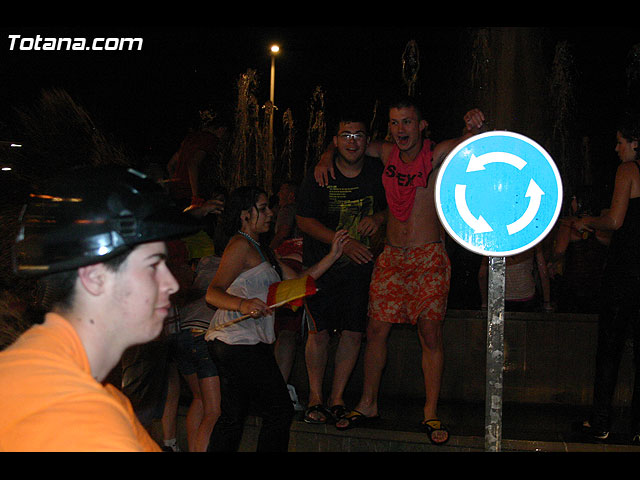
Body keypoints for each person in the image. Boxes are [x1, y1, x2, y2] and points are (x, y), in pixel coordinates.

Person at [316, 97, 486, 445]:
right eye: (394, 122)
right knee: (375, 330)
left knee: (430, 333)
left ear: (421, 126)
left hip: (428, 256)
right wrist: (325, 155)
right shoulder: (386, 152)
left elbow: (474, 143)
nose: (400, 129)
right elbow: (351, 143)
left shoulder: (435, 154)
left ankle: (430, 410)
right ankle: (368, 403)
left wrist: (474, 126)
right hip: (391, 257)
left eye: (407, 122)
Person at [0, 165, 201, 451]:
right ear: (95, 277)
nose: (171, 284)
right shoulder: (85, 423)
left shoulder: (34, 371)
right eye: (153, 265)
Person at [204, 186, 348, 452]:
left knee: (235, 416)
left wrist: (333, 255)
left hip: (245, 342)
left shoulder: (265, 251)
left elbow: (299, 282)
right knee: (278, 410)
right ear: (245, 215)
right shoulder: (239, 245)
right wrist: (244, 304)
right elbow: (213, 293)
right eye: (262, 208)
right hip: (235, 341)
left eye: (269, 207)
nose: (271, 213)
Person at [296, 113, 387, 424]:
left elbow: (395, 207)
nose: (352, 142)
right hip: (321, 266)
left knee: (352, 332)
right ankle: (315, 397)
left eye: (358, 135)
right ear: (335, 141)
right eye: (346, 135)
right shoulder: (320, 174)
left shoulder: (376, 172)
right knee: (318, 333)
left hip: (360, 268)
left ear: (367, 140)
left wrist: (378, 218)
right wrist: (342, 244)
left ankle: (337, 398)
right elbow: (303, 219)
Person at [573, 116, 640, 443]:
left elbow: (615, 220)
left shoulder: (628, 170)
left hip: (625, 271)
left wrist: (588, 220)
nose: (616, 149)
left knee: (610, 347)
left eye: (620, 142)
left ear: (635, 143)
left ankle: (600, 422)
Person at [167, 109, 228, 211]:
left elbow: (170, 165)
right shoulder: (210, 139)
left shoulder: (190, 138)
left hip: (177, 194)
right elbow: (192, 164)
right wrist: (196, 197)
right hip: (190, 196)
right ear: (222, 129)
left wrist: (175, 184)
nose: (224, 138)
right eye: (226, 134)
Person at [478, 244, 552, 312]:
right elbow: (543, 273)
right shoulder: (532, 241)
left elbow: (482, 275)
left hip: (500, 296)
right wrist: (547, 302)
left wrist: (484, 303)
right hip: (526, 294)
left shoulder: (494, 243)